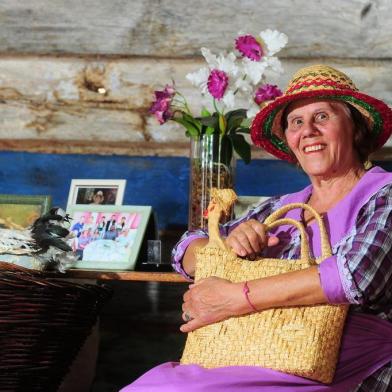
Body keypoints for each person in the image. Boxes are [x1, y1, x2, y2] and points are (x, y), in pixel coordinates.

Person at [120, 65, 392, 391]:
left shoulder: (384, 195)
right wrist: (227, 244)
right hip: (251, 352)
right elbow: (187, 249)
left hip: (337, 364)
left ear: (355, 127)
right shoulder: (276, 207)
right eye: (296, 122)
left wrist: (235, 297)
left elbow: (354, 277)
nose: (308, 130)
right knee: (154, 385)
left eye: (322, 117)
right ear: (290, 139)